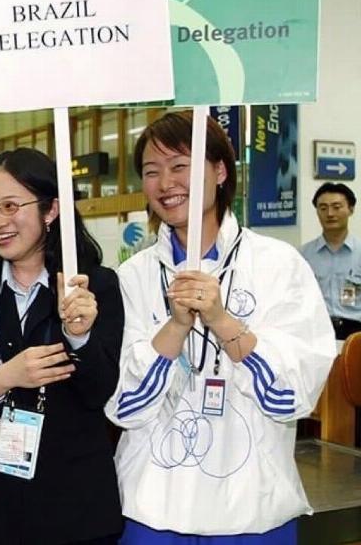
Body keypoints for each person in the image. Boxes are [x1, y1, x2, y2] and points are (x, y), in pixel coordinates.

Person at [105, 111, 335, 544]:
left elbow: (292, 397)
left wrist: (222, 321)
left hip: (251, 508)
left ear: (219, 170)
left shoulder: (277, 264)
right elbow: (124, 404)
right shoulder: (131, 277)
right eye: (151, 172)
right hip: (152, 508)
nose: (166, 182)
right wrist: (174, 329)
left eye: (180, 167)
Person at [0, 148, 124, 545]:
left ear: (51, 209)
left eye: (9, 206)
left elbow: (100, 391)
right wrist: (3, 377)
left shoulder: (93, 286)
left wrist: (79, 338)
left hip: (76, 508)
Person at [301, 183, 361, 339]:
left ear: (351, 209)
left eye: (337, 207)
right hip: (316, 332)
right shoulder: (303, 256)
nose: (330, 213)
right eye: (323, 208)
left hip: (355, 333)